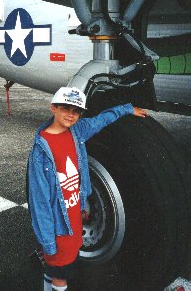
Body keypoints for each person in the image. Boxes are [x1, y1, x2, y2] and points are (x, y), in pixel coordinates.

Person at [28, 87, 148, 291]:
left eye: (76, 111)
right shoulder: (41, 151)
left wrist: (126, 109)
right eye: (65, 108)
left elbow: (101, 120)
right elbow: (39, 202)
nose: (71, 115)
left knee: (55, 271)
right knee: (61, 277)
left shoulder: (77, 130)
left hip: (75, 217)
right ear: (53, 108)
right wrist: (48, 241)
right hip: (59, 226)